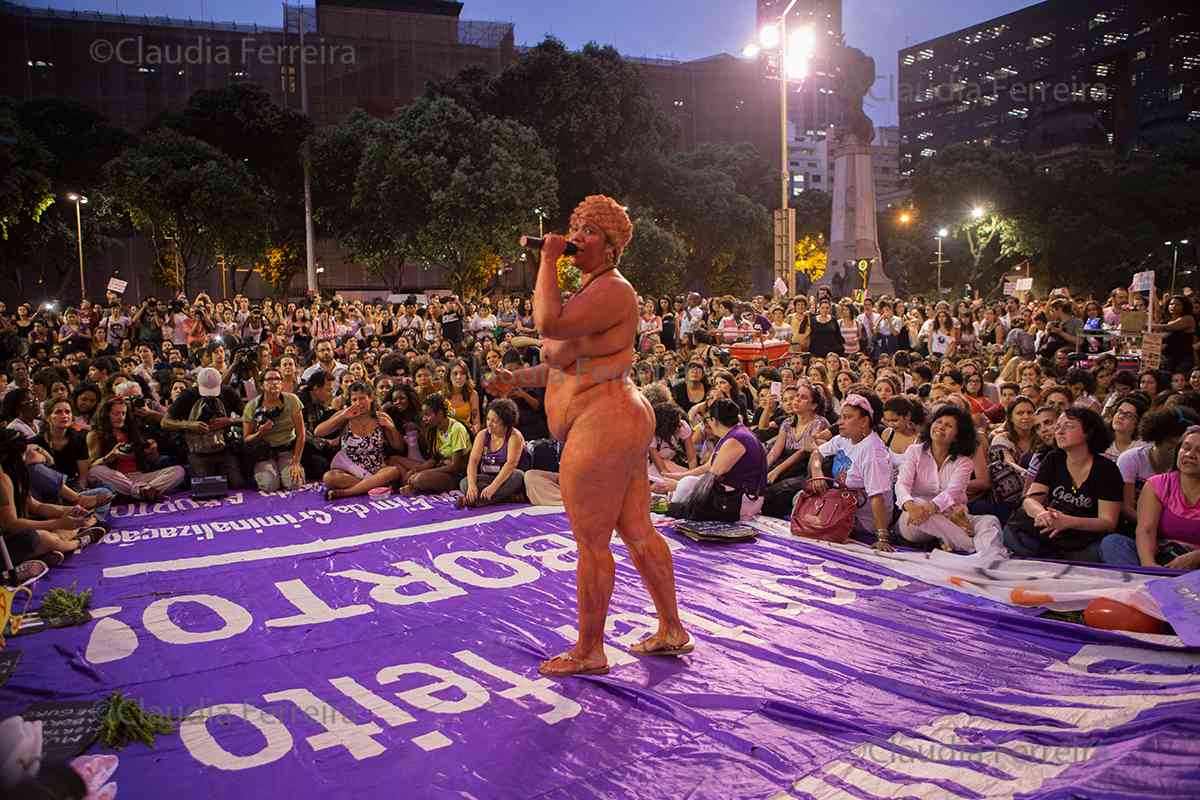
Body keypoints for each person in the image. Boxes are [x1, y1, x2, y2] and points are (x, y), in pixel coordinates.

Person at [486, 195, 690, 677]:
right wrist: (515, 381)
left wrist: (547, 261)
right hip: (609, 414)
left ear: (613, 247)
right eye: (574, 228)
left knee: (592, 542)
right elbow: (565, 365)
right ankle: (671, 629)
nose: (576, 237)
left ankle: (590, 650)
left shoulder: (613, 291)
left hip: (606, 420)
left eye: (589, 232)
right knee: (638, 529)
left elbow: (547, 324)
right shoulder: (591, 293)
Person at [1001, 407, 1133, 564]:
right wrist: (1042, 514)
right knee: (1011, 532)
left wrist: (1068, 521)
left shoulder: (1106, 469)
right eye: (1058, 427)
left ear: (1088, 432)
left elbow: (1108, 522)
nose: (1060, 431)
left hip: (1085, 540)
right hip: (1052, 533)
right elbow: (1030, 499)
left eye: (1069, 426)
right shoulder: (1053, 459)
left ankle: (1054, 563)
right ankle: (1053, 563)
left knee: (1111, 545)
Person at [895, 404, 1002, 554]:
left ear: (958, 435)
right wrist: (909, 505)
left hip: (952, 515)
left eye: (948, 425)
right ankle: (970, 546)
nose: (941, 427)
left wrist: (931, 508)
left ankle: (989, 555)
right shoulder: (915, 452)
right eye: (938, 422)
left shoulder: (964, 462)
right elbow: (902, 484)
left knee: (990, 521)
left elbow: (953, 492)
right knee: (920, 505)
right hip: (915, 518)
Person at [0, 430, 100, 574]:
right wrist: (58, 523)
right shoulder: (3, 479)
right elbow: (11, 525)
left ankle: (52, 548)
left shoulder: (16, 472)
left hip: (15, 537)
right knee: (41, 538)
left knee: (78, 521)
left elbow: (35, 505)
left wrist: (69, 511)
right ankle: (75, 543)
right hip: (8, 543)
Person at [809, 391, 895, 549]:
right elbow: (817, 453)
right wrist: (817, 472)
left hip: (863, 517)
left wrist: (882, 537)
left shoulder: (873, 451)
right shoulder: (844, 439)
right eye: (841, 417)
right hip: (840, 503)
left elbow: (877, 496)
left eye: (847, 417)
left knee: (811, 516)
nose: (840, 422)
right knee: (800, 501)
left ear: (864, 421)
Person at [666, 398, 768, 519]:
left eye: (708, 420)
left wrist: (677, 484)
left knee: (683, 491)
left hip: (741, 501)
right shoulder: (733, 434)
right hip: (735, 495)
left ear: (714, 420)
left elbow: (711, 477)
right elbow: (708, 466)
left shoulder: (736, 439)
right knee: (687, 482)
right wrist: (678, 476)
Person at [318, 381, 405, 500]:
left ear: (371, 398)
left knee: (393, 471)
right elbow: (318, 432)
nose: (358, 403)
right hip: (350, 470)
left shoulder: (382, 417)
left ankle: (347, 492)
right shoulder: (344, 416)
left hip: (378, 470)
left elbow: (399, 447)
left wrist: (392, 428)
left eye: (362, 398)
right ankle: (376, 486)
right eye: (354, 400)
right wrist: (342, 416)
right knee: (329, 478)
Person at [86, 397, 186, 501]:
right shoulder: (95, 435)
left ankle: (137, 493)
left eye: (123, 414)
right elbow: (91, 466)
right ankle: (142, 492)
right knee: (95, 471)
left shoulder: (132, 431)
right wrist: (111, 456)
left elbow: (152, 461)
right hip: (117, 478)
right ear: (106, 415)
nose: (121, 417)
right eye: (116, 414)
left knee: (179, 471)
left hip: (139, 477)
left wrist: (152, 452)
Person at [162, 366, 246, 489]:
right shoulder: (188, 395)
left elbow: (249, 417)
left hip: (224, 447)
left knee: (237, 484)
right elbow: (165, 422)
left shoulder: (227, 392)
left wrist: (230, 421)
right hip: (197, 450)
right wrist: (189, 425)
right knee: (205, 489)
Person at [1130, 425, 1200, 569]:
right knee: (1114, 543)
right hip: (1162, 559)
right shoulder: (1157, 484)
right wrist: (1150, 565)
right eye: (1186, 448)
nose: (1190, 454)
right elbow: (1146, 530)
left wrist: (1196, 557)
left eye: (1199, 451)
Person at [241, 366, 307, 492]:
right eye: (270, 379)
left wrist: (296, 462)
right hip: (265, 453)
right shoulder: (252, 406)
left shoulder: (292, 400)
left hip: (287, 450)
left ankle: (287, 470)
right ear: (262, 385)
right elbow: (247, 439)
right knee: (270, 485)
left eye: (277, 379)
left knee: (293, 483)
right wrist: (260, 433)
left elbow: (301, 434)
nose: (274, 382)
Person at [459, 398, 528, 507]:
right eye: (488, 419)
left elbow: (511, 465)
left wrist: (493, 488)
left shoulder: (514, 436)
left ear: (506, 423)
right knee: (464, 483)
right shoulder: (482, 435)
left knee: (518, 475)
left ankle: (477, 501)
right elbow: (473, 462)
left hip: (507, 478)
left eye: (494, 421)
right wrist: (472, 486)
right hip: (488, 477)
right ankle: (506, 498)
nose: (489, 424)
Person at [398, 393, 471, 495]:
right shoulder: (435, 429)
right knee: (411, 476)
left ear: (440, 413)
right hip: (442, 468)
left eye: (427, 415)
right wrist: (415, 470)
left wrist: (424, 473)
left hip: (458, 475)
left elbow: (455, 466)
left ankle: (418, 487)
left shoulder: (457, 429)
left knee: (419, 479)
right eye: (423, 415)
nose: (424, 419)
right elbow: (434, 459)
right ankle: (417, 486)